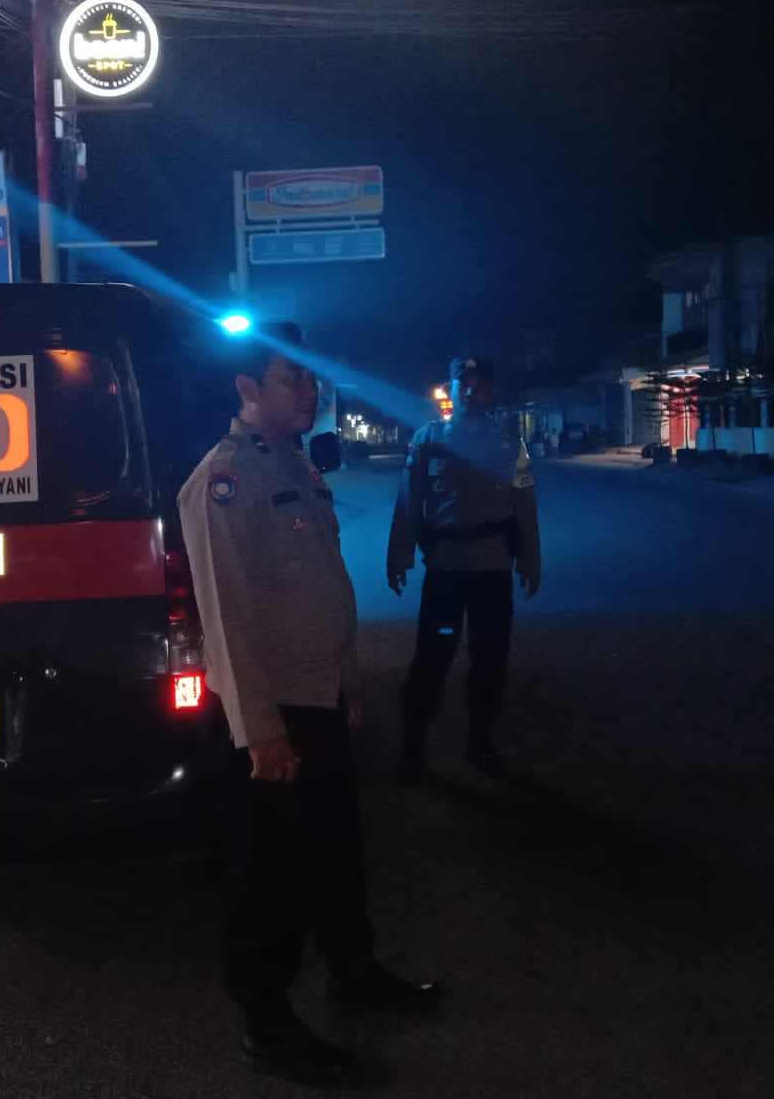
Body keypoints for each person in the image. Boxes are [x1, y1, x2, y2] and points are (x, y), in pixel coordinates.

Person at [178, 323, 440, 1084]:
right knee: (272, 876)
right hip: (275, 713)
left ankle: (354, 971)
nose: (308, 389)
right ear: (247, 389)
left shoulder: (298, 464)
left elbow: (324, 583)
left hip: (318, 697)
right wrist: (259, 732)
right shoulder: (223, 480)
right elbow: (226, 616)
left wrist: (348, 676)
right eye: (290, 377)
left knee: (336, 851)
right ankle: (265, 1022)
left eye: (309, 376)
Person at [387, 355, 541, 783]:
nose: (472, 392)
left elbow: (525, 503)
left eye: (480, 385)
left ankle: (480, 741)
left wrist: (531, 558)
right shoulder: (428, 439)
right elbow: (409, 501)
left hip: (493, 571)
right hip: (446, 571)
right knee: (432, 658)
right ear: (451, 389)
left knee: (490, 661)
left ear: (492, 392)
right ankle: (412, 747)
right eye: (464, 384)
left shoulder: (510, 444)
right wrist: (398, 555)